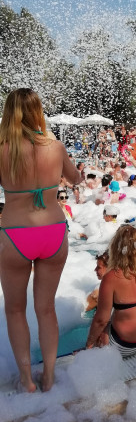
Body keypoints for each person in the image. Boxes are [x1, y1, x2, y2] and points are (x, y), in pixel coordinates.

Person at [0, 88, 82, 392]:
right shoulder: (55, 147)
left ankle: (26, 380)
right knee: (46, 308)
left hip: (14, 235)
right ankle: (48, 376)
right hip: (53, 231)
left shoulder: (2, 148)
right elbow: (76, 179)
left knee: (15, 309)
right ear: (37, 112)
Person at [86, 225, 136, 358]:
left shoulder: (111, 277)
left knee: (102, 329)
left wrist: (89, 344)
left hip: (125, 346)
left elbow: (101, 320)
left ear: (116, 247)